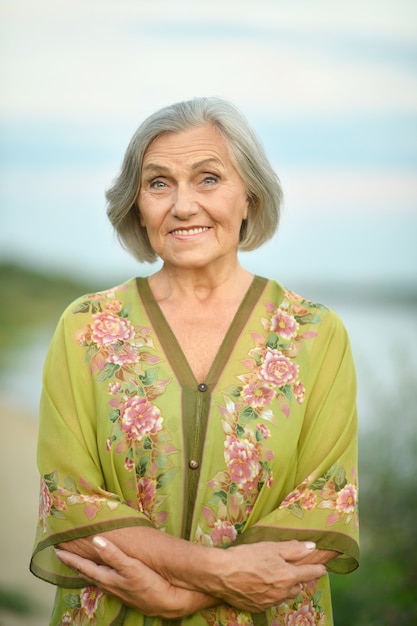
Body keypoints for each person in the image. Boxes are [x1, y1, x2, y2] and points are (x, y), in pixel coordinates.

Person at [30, 97, 359, 626]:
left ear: (249, 196)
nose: (183, 206)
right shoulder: (85, 328)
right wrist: (217, 574)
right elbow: (70, 500)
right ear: (137, 204)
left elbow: (325, 504)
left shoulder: (314, 333)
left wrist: (182, 597)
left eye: (208, 179)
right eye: (159, 183)